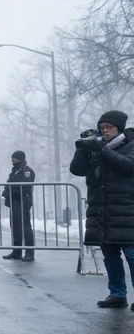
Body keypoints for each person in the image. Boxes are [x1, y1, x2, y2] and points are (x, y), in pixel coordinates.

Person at [71, 110, 134, 308]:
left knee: (132, 255)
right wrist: (83, 149)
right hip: (102, 210)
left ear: (119, 128)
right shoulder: (97, 147)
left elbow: (129, 166)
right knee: (110, 254)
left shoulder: (130, 144)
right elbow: (77, 170)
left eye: (108, 127)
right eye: (101, 128)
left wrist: (102, 150)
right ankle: (117, 294)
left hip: (127, 208)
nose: (104, 131)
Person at [1, 150, 36, 261]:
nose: (12, 160)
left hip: (22, 202)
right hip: (15, 202)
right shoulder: (15, 171)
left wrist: (9, 191)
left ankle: (29, 253)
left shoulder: (27, 171)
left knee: (25, 227)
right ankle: (17, 251)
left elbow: (24, 187)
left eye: (14, 158)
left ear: (20, 158)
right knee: (15, 227)